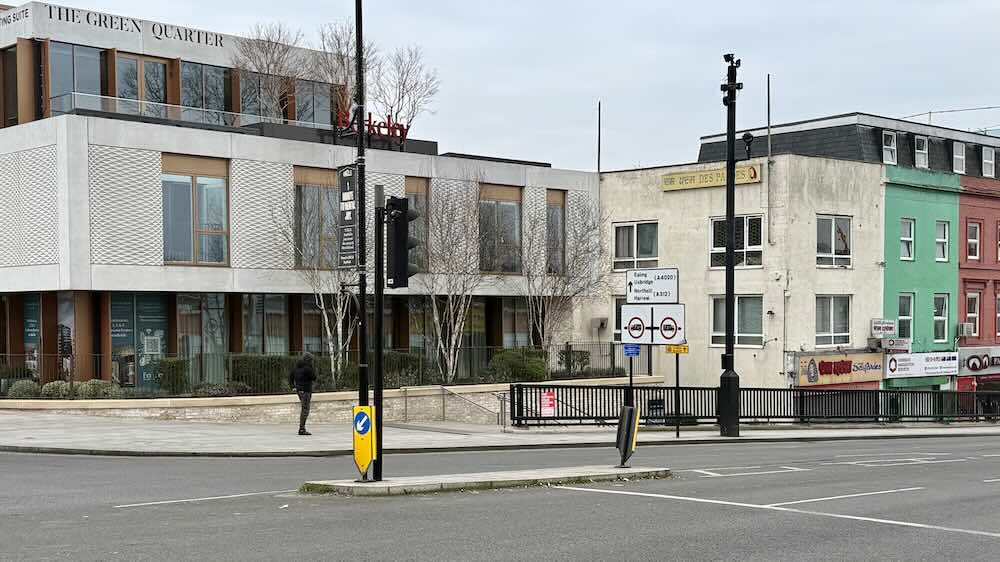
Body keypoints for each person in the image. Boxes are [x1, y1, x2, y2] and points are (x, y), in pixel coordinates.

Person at [288, 352, 317, 436]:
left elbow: (290, 377)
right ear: (309, 360)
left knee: (304, 408)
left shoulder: (296, 367)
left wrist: (293, 386)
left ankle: (302, 428)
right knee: (305, 410)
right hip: (306, 390)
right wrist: (312, 367)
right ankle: (302, 429)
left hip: (299, 390)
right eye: (311, 360)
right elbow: (314, 377)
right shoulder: (307, 368)